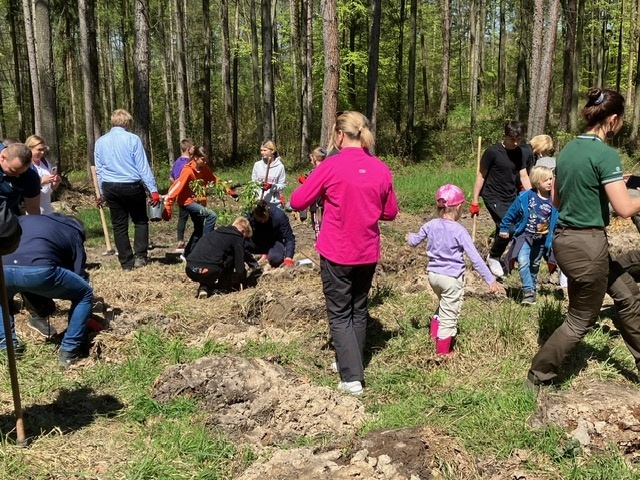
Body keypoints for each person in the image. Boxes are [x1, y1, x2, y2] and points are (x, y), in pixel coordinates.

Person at [526, 88, 640, 391]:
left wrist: (601, 189)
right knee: (580, 320)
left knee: (627, 295)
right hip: (589, 245)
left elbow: (559, 201)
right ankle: (539, 376)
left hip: (565, 241)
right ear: (612, 120)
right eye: (621, 121)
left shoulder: (568, 151)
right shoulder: (606, 154)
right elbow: (625, 208)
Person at [290, 111, 398, 396]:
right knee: (358, 309)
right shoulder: (380, 168)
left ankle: (352, 378)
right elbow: (390, 212)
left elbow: (298, 200)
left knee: (339, 314)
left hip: (337, 251)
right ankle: (350, 362)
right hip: (367, 251)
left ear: (339, 136)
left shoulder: (330, 167)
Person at [407, 184, 499, 355]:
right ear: (458, 207)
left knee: (443, 304)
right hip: (451, 279)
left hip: (433, 277)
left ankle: (433, 333)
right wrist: (490, 279)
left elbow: (414, 241)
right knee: (450, 315)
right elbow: (475, 259)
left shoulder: (431, 225)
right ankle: (443, 353)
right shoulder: (459, 231)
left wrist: (409, 237)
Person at [0, 213, 93, 367]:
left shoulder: (32, 219)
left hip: (3, 267)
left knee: (1, 299)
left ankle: (6, 350)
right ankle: (69, 351)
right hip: (39, 270)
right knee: (84, 294)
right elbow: (79, 275)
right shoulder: (74, 231)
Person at [94, 109, 160, 270]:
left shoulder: (101, 141)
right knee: (140, 220)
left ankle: (126, 262)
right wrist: (153, 189)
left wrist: (102, 191)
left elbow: (99, 169)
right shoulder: (133, 139)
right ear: (127, 123)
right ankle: (140, 256)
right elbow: (142, 165)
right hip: (131, 185)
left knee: (119, 225)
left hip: (110, 186)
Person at [471, 121, 532, 278]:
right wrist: (475, 200)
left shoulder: (520, 153)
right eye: (512, 139)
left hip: (511, 196)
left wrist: (533, 197)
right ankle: (493, 256)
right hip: (493, 195)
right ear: (504, 136)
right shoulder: (493, 152)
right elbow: (481, 175)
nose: (516, 143)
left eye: (519, 139)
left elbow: (523, 175)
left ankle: (503, 258)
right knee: (508, 228)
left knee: (516, 226)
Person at [499, 166, 558, 305]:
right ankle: (528, 290)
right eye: (546, 180)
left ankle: (532, 290)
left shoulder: (554, 199)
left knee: (535, 264)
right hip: (525, 236)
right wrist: (504, 227)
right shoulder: (526, 197)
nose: (550, 182)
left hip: (542, 239)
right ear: (537, 182)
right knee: (523, 261)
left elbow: (557, 219)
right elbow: (511, 213)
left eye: (551, 179)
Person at [162, 146, 219, 258]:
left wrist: (230, 191)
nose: (205, 161)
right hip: (187, 202)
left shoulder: (204, 168)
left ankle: (187, 254)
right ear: (195, 158)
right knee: (211, 215)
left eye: (206, 159)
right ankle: (205, 246)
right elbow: (176, 186)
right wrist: (168, 204)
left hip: (198, 201)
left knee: (199, 229)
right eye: (203, 159)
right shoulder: (187, 171)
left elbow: (215, 180)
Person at [185, 217, 253, 298]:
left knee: (209, 261)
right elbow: (239, 265)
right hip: (209, 271)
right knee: (231, 257)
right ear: (242, 231)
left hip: (190, 269)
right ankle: (221, 288)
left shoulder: (214, 233)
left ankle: (204, 287)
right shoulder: (237, 237)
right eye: (245, 236)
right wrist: (243, 281)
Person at [244, 199, 295, 268]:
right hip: (255, 242)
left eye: (265, 219)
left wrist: (288, 257)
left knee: (276, 259)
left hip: (273, 243)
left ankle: (267, 255)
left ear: (268, 209)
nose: (262, 222)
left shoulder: (279, 216)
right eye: (259, 220)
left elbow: (289, 238)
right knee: (239, 245)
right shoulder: (249, 216)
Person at [0, 142, 40, 215]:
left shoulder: (30, 176)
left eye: (21, 173)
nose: (17, 176)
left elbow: (33, 210)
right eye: (13, 171)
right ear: (3, 158)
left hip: (9, 217)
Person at [25, 135, 61, 214]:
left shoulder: (45, 162)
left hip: (47, 209)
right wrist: (41, 181)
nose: (42, 152)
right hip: (31, 211)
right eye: (39, 150)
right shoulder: (25, 166)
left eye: (43, 149)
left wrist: (55, 182)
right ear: (30, 148)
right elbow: (24, 188)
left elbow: (52, 187)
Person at [170, 138, 195, 252]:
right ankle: (199, 239)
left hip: (180, 195)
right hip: (191, 195)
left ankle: (180, 241)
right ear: (189, 149)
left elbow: (171, 177)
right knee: (198, 217)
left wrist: (177, 186)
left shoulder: (177, 162)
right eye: (193, 148)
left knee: (182, 218)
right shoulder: (189, 163)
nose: (195, 149)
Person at [296, 147, 327, 236]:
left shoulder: (317, 171)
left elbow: (314, 188)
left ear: (314, 158)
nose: (310, 162)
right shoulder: (328, 169)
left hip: (319, 206)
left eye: (311, 159)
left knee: (319, 230)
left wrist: (306, 183)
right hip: (322, 205)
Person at [251, 140, 286, 207]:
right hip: (259, 201)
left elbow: (282, 186)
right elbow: (253, 182)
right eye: (261, 150)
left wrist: (271, 186)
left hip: (274, 203)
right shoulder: (257, 165)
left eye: (265, 150)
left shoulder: (280, 167)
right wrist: (260, 185)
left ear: (272, 151)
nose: (262, 152)